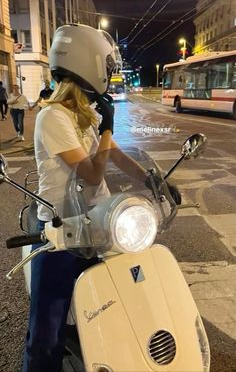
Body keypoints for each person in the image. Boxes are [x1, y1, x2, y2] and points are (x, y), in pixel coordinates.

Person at [22, 24, 181, 372]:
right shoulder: (53, 117)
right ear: (87, 64)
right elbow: (93, 173)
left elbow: (115, 154)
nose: (109, 75)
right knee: (45, 339)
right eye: (107, 68)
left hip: (98, 225)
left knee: (121, 302)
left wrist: (154, 180)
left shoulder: (84, 114)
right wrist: (108, 127)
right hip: (61, 235)